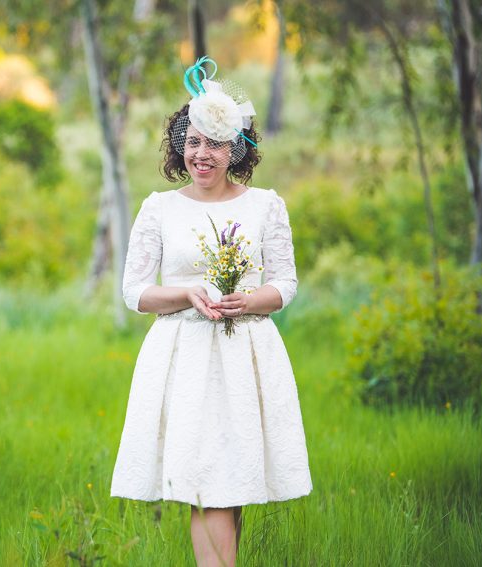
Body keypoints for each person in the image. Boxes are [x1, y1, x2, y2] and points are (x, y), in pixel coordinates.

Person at [109, 57, 312, 567]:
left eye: (215, 143)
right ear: (180, 145)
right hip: (184, 356)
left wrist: (248, 300)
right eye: (192, 141)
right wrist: (189, 293)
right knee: (208, 481)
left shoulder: (266, 205)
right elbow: (135, 292)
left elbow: (284, 283)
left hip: (246, 354)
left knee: (230, 480)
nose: (201, 154)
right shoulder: (159, 207)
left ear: (236, 148)